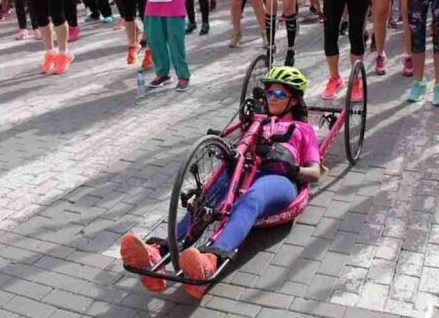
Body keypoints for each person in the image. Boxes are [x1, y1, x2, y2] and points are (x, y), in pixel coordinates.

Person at [119, 66, 321, 298]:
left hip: (278, 178)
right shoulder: (259, 122)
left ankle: (210, 260)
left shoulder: (304, 130)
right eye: (269, 94)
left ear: (294, 101)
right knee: (206, 197)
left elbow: (315, 173)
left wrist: (292, 167)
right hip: (243, 170)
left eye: (279, 95)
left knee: (251, 197)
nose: (271, 99)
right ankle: (159, 250)